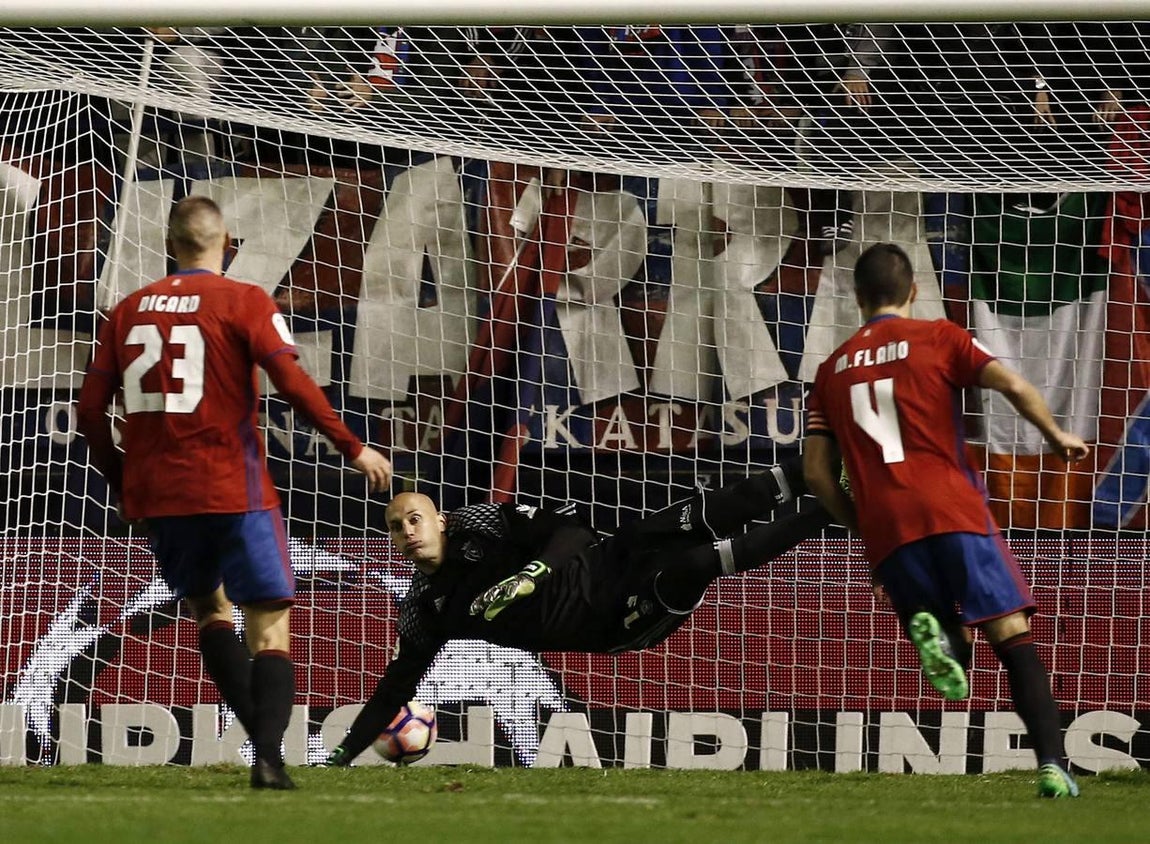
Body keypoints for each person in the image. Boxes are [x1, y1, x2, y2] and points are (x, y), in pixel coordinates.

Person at [76, 195, 393, 789]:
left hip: (162, 495)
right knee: (269, 626)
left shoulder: (126, 311)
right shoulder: (244, 300)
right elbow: (291, 381)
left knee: (209, 611)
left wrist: (124, 482)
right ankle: (268, 755)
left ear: (170, 246)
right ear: (227, 245)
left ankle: (264, 752)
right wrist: (352, 446)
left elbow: (90, 411)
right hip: (233, 485)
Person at [802, 242, 1090, 799]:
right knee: (1011, 633)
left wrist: (863, 528)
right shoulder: (939, 336)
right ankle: (1054, 765)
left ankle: (942, 638)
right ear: (914, 290)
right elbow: (1012, 384)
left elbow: (816, 472)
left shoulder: (830, 370)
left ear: (857, 297)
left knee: (944, 628)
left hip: (887, 526)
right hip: (952, 508)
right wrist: (1056, 435)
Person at [322, 460, 829, 766]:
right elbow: (393, 689)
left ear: (440, 520)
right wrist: (343, 754)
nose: (408, 531)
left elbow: (574, 534)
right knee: (697, 564)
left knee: (717, 508)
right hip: (612, 620)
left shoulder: (480, 523)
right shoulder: (423, 608)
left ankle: (836, 463)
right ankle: (830, 510)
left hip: (613, 556)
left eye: (415, 518)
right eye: (396, 526)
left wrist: (530, 576)